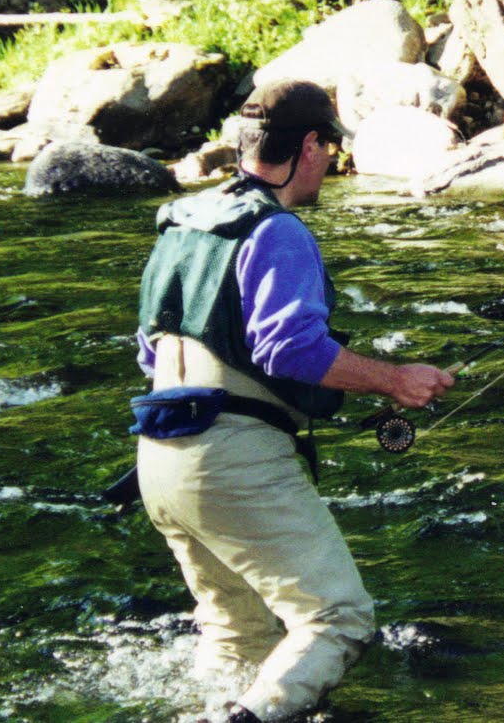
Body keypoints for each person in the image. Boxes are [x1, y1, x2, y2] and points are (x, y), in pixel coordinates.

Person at [132, 79, 455, 723]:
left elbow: (148, 347)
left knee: (237, 634)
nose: (334, 163)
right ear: (309, 145)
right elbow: (289, 349)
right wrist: (394, 379)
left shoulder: (184, 219)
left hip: (160, 457)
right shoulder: (277, 231)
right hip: (230, 461)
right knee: (338, 617)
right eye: (332, 148)